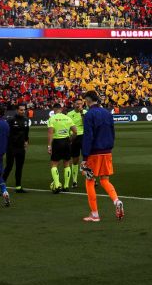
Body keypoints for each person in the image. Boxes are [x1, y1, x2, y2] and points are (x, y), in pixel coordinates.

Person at [80, 90, 124, 223]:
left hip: (94, 153)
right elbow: (113, 132)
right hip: (107, 151)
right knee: (105, 180)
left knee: (90, 181)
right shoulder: (107, 113)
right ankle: (116, 201)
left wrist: (85, 157)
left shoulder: (88, 115)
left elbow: (88, 137)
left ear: (88, 100)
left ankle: (95, 214)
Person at [46, 101, 77, 193]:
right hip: (66, 141)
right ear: (61, 109)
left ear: (54, 109)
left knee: (54, 164)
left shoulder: (52, 119)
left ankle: (57, 185)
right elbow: (75, 132)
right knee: (67, 163)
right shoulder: (67, 118)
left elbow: (50, 133)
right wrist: (70, 140)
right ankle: (66, 186)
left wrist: (49, 146)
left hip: (57, 142)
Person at [3, 103, 29, 193]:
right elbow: (5, 133)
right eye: (21, 110)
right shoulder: (11, 120)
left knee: (19, 167)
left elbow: (26, 134)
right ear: (17, 110)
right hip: (11, 147)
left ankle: (18, 187)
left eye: (24, 110)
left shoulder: (26, 120)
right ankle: (2, 185)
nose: (23, 111)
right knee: (9, 167)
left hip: (21, 148)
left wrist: (26, 142)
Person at [68, 98, 86, 189]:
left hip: (83, 136)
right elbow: (68, 127)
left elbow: (85, 123)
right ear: (74, 104)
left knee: (87, 158)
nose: (79, 105)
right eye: (77, 103)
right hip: (74, 137)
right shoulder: (69, 114)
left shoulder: (85, 112)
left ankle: (91, 178)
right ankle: (74, 181)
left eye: (80, 103)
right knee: (75, 159)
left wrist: (82, 113)